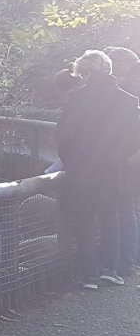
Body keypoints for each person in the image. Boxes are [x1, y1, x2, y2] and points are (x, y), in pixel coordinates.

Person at [56, 49, 140, 288]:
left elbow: (62, 134)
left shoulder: (75, 98)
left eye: (82, 72)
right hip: (112, 167)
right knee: (110, 215)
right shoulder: (127, 100)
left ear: (87, 72)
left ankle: (89, 274)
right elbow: (135, 138)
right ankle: (109, 269)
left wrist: (71, 160)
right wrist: (118, 158)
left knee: (84, 217)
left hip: (80, 167)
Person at [102, 47, 140, 275]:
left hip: (128, 160)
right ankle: (130, 257)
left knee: (125, 208)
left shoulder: (127, 92)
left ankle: (127, 259)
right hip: (131, 158)